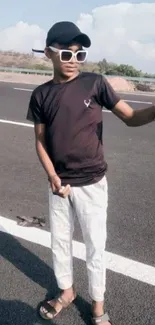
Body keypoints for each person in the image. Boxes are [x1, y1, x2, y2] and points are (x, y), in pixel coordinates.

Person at [26, 21, 155, 325]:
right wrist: (52, 177)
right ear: (48, 53)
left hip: (93, 183)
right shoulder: (41, 95)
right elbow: (40, 142)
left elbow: (131, 118)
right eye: (66, 55)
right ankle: (66, 292)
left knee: (96, 245)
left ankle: (97, 305)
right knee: (59, 243)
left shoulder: (95, 84)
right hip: (59, 186)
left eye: (79, 55)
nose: (73, 62)